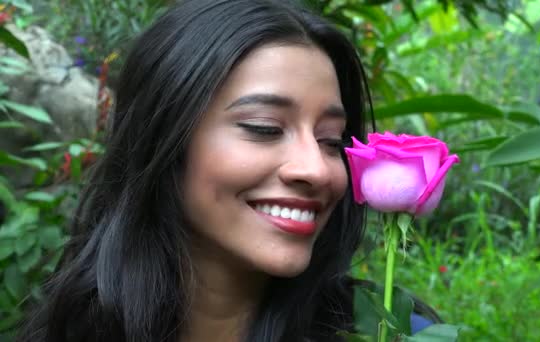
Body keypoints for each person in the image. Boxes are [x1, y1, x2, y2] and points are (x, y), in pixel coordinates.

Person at [18, 1, 439, 341]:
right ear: (164, 139)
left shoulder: (392, 331)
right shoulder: (71, 328)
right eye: (264, 128)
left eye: (331, 140)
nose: (316, 169)